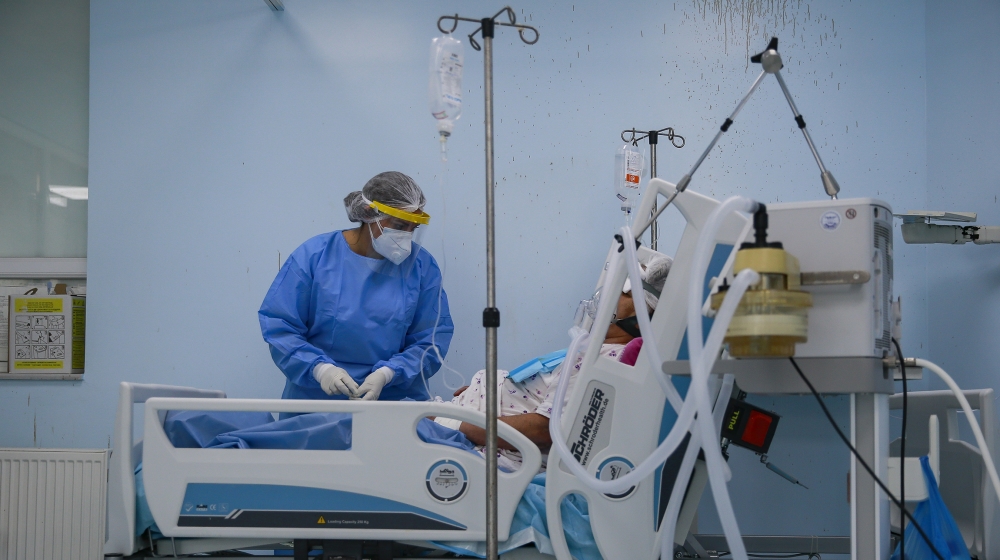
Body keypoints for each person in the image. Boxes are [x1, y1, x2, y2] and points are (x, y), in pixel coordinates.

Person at [435, 256, 671, 470]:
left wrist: (452, 423)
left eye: (623, 291)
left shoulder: (603, 363)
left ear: (641, 318)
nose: (608, 294)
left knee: (412, 427)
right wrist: (487, 392)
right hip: (471, 414)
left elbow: (543, 430)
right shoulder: (593, 349)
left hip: (476, 437)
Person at [259, 171, 453, 403]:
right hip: (318, 402)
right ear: (369, 214)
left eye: (413, 228)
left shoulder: (421, 266)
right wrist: (320, 369)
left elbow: (431, 339)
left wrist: (388, 373)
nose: (406, 236)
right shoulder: (315, 257)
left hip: (395, 400)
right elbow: (280, 327)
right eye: (400, 225)